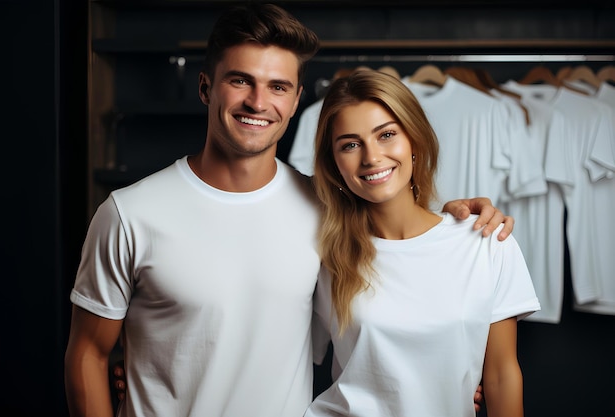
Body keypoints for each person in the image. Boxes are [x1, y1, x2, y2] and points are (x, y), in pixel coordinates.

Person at [64, 3, 512, 417]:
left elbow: (409, 245)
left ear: (296, 101)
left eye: (277, 86)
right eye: (240, 80)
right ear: (205, 87)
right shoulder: (129, 214)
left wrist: (448, 377)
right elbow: (88, 354)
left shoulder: (327, 209)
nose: (258, 103)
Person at [305, 69, 540, 417]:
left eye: (386, 134)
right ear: (335, 163)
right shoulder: (324, 254)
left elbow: (502, 376)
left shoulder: (487, 241)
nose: (371, 157)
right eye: (351, 144)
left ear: (414, 140)